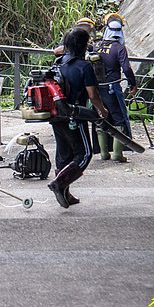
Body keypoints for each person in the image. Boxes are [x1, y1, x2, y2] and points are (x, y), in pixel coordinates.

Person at [47, 27, 109, 208]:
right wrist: (102, 111)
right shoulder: (84, 67)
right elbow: (93, 95)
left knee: (64, 154)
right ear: (84, 45)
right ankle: (59, 184)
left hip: (56, 115)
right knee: (84, 154)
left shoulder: (58, 63)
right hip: (75, 116)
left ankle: (65, 193)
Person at [94, 13, 139, 162]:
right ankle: (118, 154)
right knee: (118, 119)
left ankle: (103, 153)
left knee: (102, 117)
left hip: (97, 88)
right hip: (112, 87)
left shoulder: (98, 46)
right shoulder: (119, 48)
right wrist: (133, 83)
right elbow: (126, 68)